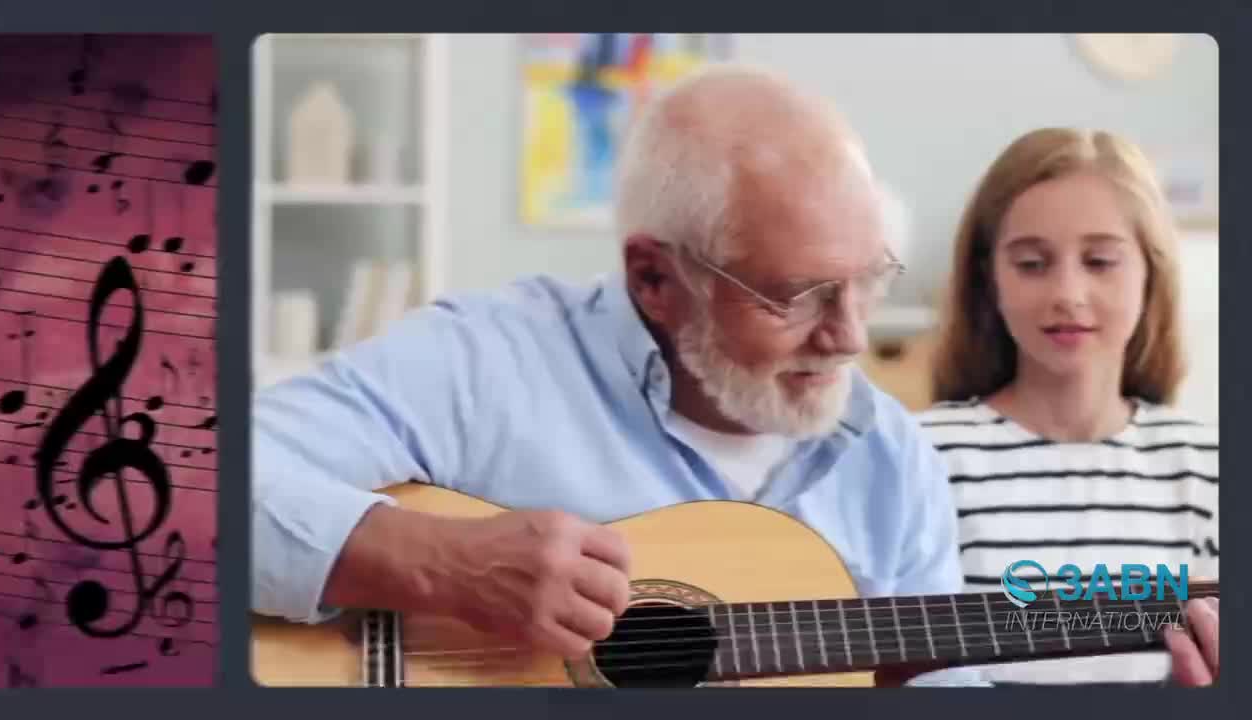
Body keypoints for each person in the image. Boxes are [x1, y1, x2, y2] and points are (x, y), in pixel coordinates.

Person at [250, 67, 1216, 688]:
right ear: (653, 278)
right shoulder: (485, 362)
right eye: (797, 295)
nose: (848, 337)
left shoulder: (889, 458)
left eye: (868, 281)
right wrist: (438, 563)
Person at [917, 127, 1219, 686]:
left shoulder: (1207, 464)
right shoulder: (922, 456)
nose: (1067, 294)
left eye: (1100, 261)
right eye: (1032, 264)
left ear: (1151, 272)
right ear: (989, 277)